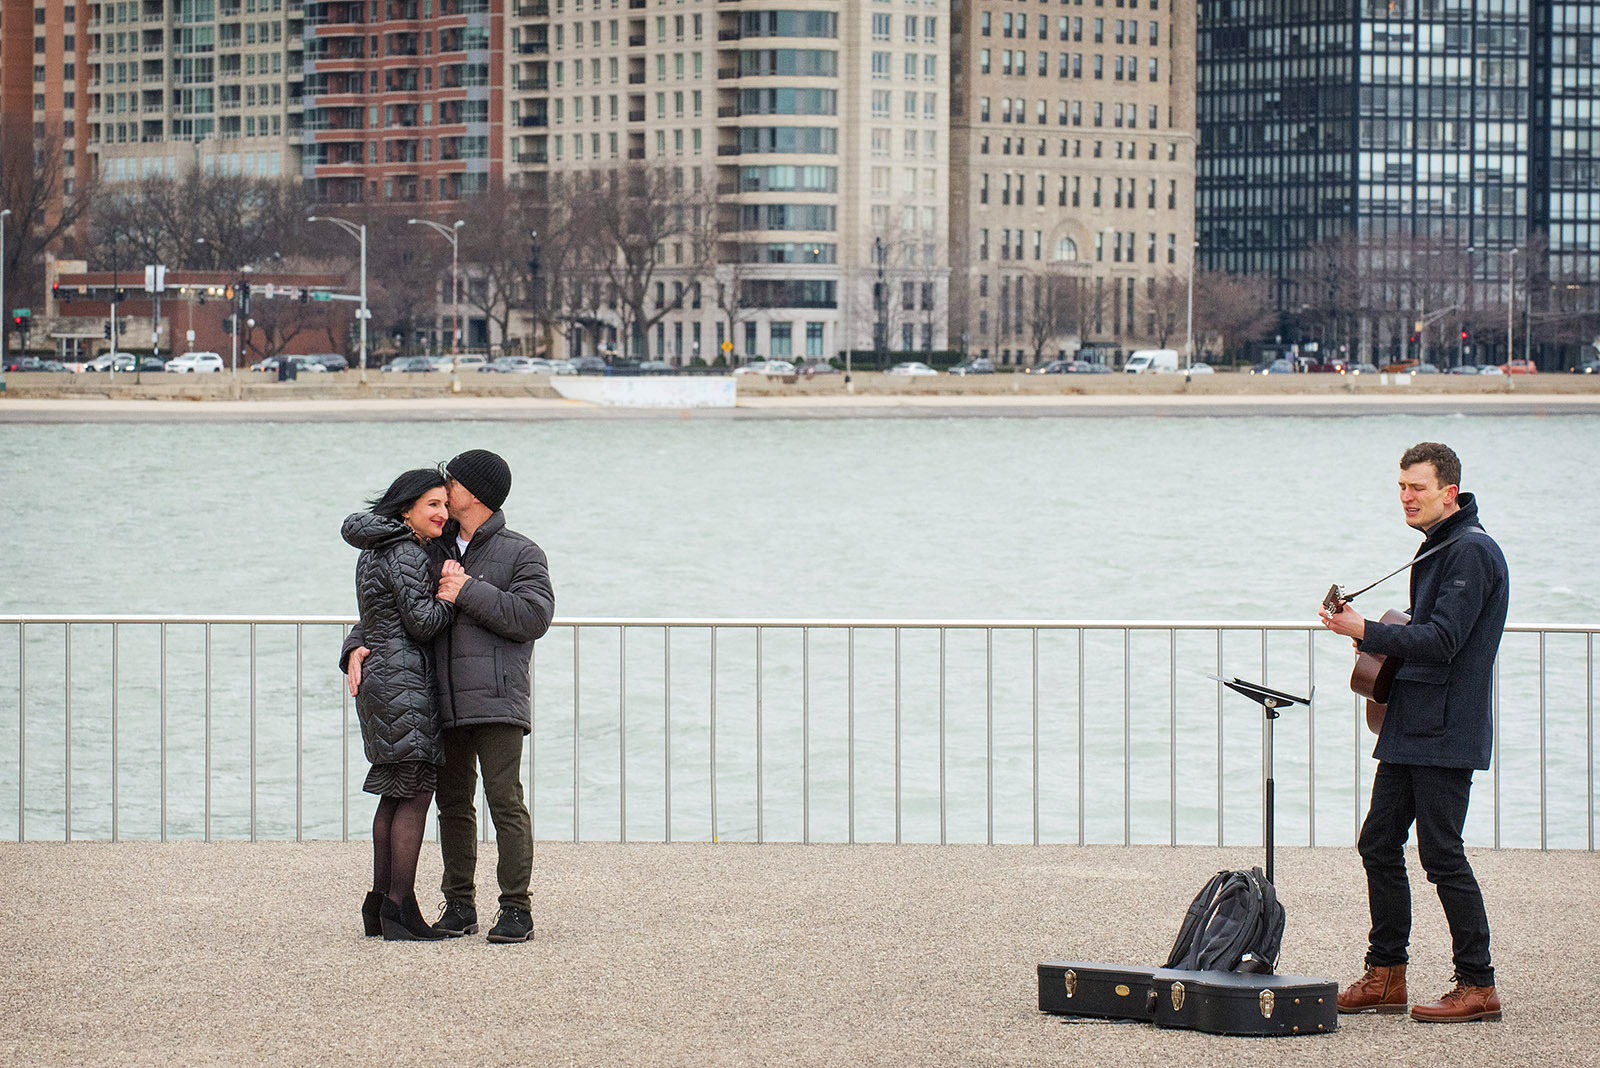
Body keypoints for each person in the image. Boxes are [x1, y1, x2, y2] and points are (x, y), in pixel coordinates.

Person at [1320, 442, 1508, 1023]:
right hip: (1411, 721)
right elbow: (1423, 634)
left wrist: (1370, 629)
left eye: (1417, 488)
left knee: (1442, 853)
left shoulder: (1471, 553)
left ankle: (1478, 985)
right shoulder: (1439, 548)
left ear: (1448, 492)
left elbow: (1445, 641)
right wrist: (1374, 637)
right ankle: (1386, 975)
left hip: (1447, 727)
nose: (1406, 497)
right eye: (1401, 487)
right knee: (1378, 841)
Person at [343, 449, 554, 944]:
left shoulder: (522, 552)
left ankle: (515, 909)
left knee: (505, 803)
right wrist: (354, 644)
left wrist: (467, 592)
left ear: (473, 495)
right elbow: (390, 609)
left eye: (452, 484)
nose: (444, 490)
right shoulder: (432, 546)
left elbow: (533, 617)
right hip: (440, 698)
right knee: (452, 806)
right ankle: (459, 905)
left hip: (496, 698)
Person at [343, 469, 457, 942]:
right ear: (406, 507)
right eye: (432, 504)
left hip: (381, 680)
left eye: (445, 505)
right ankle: (399, 907)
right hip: (405, 680)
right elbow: (423, 623)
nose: (442, 514)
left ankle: (380, 902)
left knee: (395, 790)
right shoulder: (407, 552)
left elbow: (375, 617)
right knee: (415, 790)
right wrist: (450, 593)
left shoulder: (375, 550)